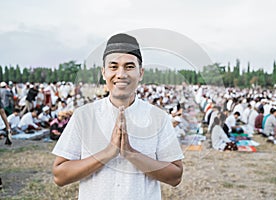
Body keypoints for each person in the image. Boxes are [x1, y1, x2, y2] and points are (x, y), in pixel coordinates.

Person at [52, 33, 184, 199]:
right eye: (113, 67)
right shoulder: (84, 116)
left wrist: (131, 153)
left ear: (141, 73)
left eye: (129, 67)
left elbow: (175, 176)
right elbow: (60, 175)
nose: (121, 74)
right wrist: (108, 153)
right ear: (103, 72)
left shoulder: (158, 118)